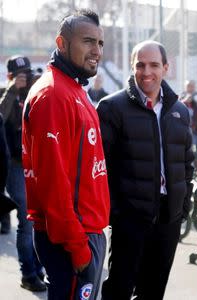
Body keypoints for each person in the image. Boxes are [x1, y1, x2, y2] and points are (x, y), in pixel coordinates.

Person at [22, 9, 110, 299]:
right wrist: (78, 247)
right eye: (87, 42)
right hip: (73, 239)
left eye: (100, 43)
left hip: (86, 232)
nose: (96, 51)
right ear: (62, 43)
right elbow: (54, 185)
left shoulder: (73, 89)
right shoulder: (53, 95)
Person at [97, 40, 194, 300]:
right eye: (140, 65)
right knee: (118, 289)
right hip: (130, 220)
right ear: (132, 67)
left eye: (154, 65)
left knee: (153, 291)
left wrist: (183, 206)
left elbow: (187, 163)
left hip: (168, 219)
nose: (146, 71)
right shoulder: (111, 108)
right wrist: (115, 213)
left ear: (166, 68)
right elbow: (100, 168)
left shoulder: (180, 111)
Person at [0, 55, 46, 291]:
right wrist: (11, 90)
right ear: (9, 76)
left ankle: (37, 269)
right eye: (18, 74)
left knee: (39, 219)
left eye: (26, 73)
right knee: (27, 220)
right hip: (16, 164)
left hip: (37, 162)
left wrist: (34, 84)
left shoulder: (35, 89)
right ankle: (28, 273)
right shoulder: (5, 93)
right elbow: (2, 117)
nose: (23, 77)